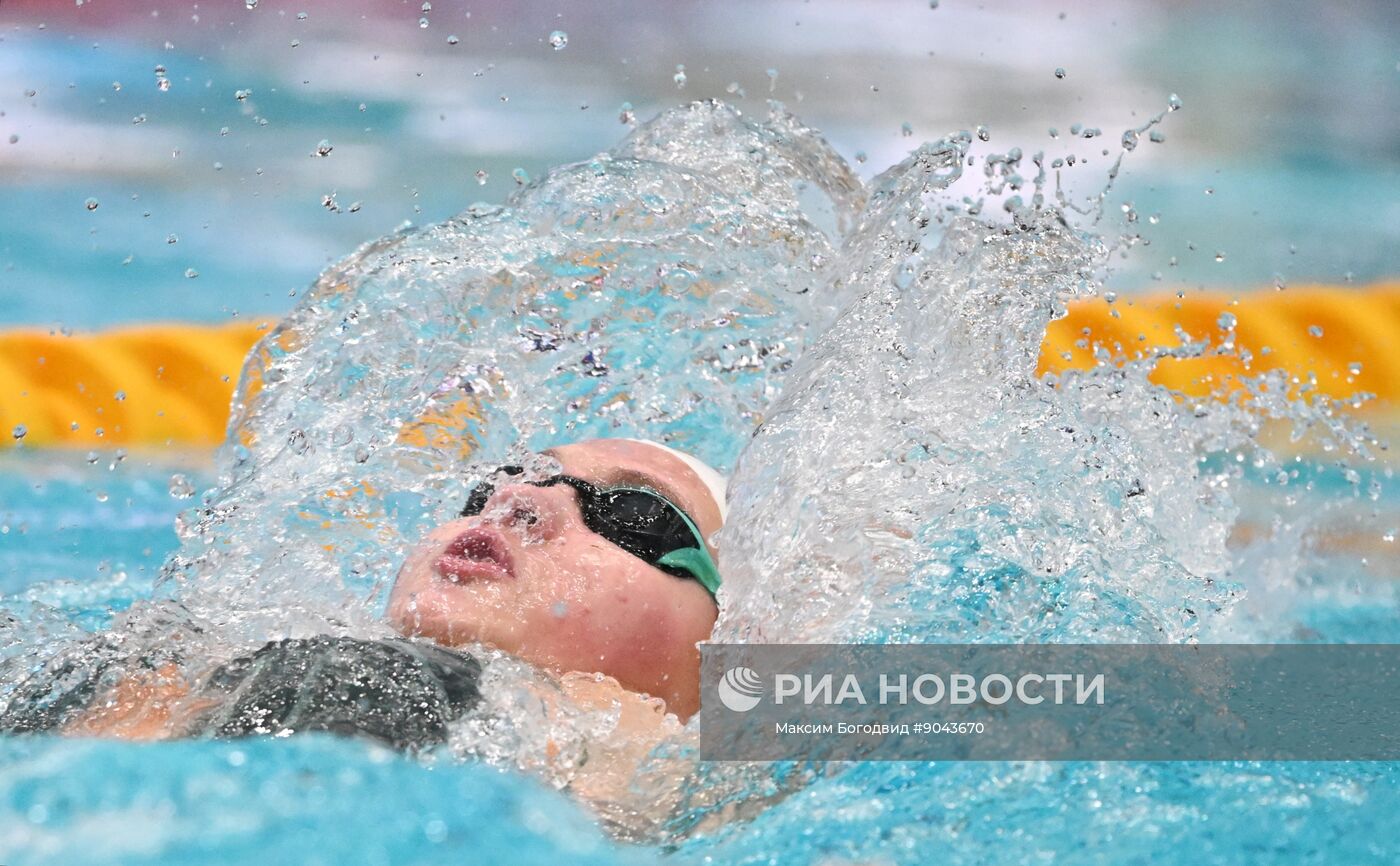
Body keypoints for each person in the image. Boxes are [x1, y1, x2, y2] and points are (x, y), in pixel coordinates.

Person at [0, 437, 727, 752]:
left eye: (634, 513)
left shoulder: (695, 748)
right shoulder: (170, 659)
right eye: (501, 478)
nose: (515, 498)